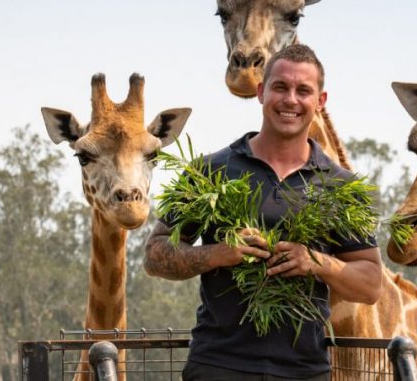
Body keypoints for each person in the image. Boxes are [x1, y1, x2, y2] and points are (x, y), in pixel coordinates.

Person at [144, 44, 383, 381]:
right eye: (280, 87)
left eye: (304, 91)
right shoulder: (209, 171)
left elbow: (371, 284)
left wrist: (316, 261)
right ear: (261, 92)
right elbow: (155, 256)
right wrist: (218, 253)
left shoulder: (341, 188)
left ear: (321, 101)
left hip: (304, 372)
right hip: (218, 367)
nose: (290, 100)